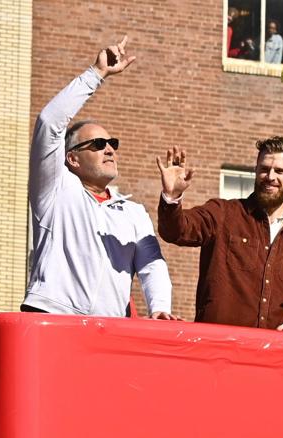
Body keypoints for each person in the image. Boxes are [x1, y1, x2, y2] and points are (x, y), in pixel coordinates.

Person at [23, 40, 174, 320]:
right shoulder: (55, 190)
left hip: (107, 327)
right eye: (98, 144)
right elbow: (49, 122)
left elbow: (152, 266)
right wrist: (96, 74)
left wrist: (161, 309)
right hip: (52, 317)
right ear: (72, 159)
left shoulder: (133, 212)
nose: (109, 149)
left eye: (112, 143)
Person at [155, 137, 283, 331]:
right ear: (256, 171)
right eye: (264, 169)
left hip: (275, 354)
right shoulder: (223, 213)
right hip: (217, 350)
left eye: (280, 171)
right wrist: (172, 198)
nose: (270, 176)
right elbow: (176, 231)